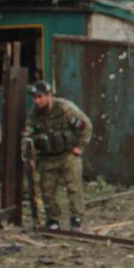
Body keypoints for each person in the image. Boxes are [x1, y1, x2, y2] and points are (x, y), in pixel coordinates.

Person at [27, 81, 91, 230]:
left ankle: (76, 219)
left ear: (49, 96)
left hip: (68, 155)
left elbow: (85, 125)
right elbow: (29, 130)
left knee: (74, 188)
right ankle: (53, 220)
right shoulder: (34, 114)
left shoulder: (64, 109)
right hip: (48, 157)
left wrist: (80, 146)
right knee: (47, 191)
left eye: (40, 97)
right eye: (34, 98)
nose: (37, 101)